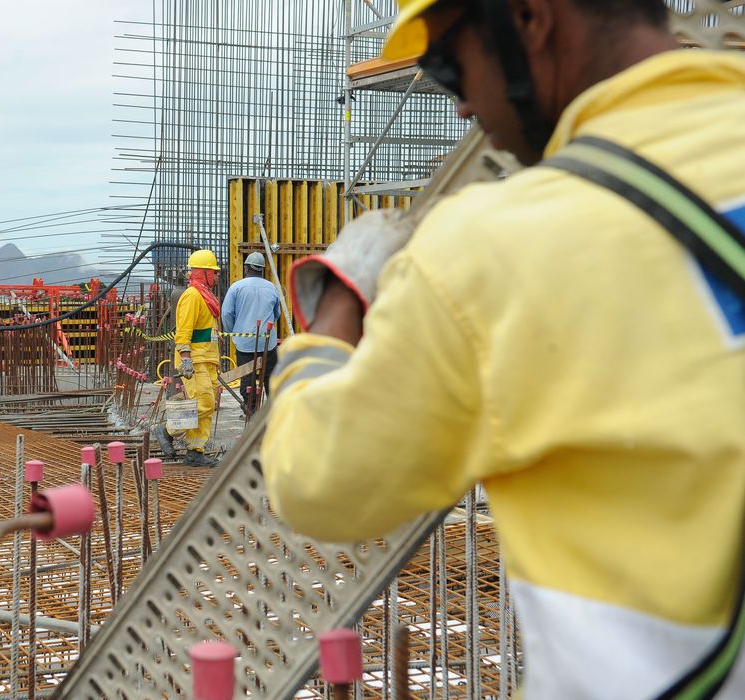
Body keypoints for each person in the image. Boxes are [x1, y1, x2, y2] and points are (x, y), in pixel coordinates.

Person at [261, 0, 745, 696]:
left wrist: (338, 300)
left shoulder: (489, 250)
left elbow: (315, 480)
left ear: (529, 18)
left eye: (449, 67)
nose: (461, 109)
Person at [153, 249, 222, 467]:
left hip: (207, 359)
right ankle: (167, 430)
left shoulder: (207, 298)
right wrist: (185, 359)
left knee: (208, 406)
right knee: (203, 403)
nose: (217, 276)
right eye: (214, 272)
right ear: (204, 273)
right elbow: (183, 332)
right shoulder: (192, 296)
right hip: (194, 360)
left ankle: (195, 451)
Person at [220, 251, 281, 413]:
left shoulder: (236, 287)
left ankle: (251, 411)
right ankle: (273, 413)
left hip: (244, 344)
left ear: (246, 268)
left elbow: (226, 314)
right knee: (270, 378)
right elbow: (277, 315)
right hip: (268, 342)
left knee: (248, 378)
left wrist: (234, 333)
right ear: (262, 270)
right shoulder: (271, 287)